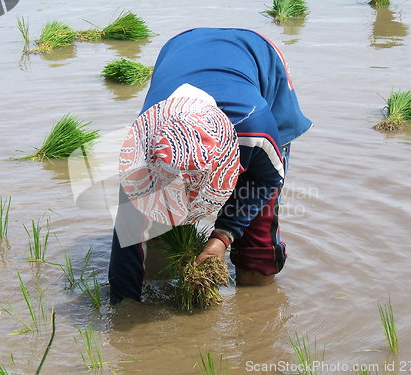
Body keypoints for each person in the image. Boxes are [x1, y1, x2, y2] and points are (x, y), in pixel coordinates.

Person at [109, 28, 312, 304]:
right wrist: (125, 309)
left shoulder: (256, 131)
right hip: (179, 47)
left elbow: (266, 182)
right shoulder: (147, 146)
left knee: (257, 250)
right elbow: (128, 238)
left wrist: (222, 237)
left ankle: (256, 300)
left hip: (258, 56)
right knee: (155, 229)